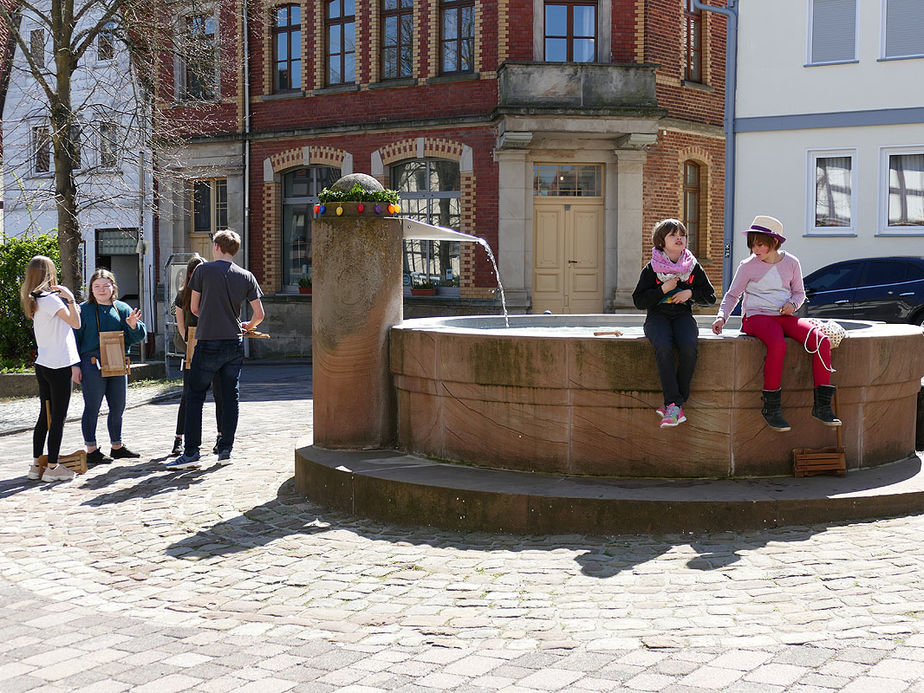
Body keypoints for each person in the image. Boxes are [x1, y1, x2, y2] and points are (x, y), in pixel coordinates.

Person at [712, 215, 841, 431]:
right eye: (752, 243)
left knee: (821, 341)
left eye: (760, 243)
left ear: (774, 242)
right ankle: (771, 408)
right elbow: (732, 295)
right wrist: (721, 316)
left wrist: (792, 304)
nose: (755, 248)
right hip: (755, 317)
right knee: (777, 343)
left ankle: (822, 407)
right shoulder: (747, 266)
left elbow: (799, 293)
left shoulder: (792, 262)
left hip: (785, 316)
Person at [167, 229, 264, 470]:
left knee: (195, 395)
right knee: (230, 397)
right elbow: (260, 315)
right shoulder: (246, 275)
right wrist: (246, 325)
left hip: (208, 340)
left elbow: (195, 307)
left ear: (217, 247)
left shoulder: (203, 270)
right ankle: (225, 450)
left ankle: (191, 452)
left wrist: (212, 316)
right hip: (234, 341)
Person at [632, 219, 716, 427]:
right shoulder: (652, 268)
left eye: (682, 234)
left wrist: (690, 293)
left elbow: (710, 297)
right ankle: (675, 404)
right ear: (662, 242)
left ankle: (673, 405)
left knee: (688, 346)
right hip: (657, 316)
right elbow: (638, 301)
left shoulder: (693, 267)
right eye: (673, 235)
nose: (679, 238)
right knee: (663, 345)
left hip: (682, 315)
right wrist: (663, 290)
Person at [73, 268, 147, 464]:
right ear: (91, 289)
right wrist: (75, 366)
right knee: (92, 406)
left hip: (117, 360)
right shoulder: (82, 310)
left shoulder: (122, 308)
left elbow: (138, 336)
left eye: (105, 285)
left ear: (113, 287)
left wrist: (133, 325)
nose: (101, 289)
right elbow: (73, 340)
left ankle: (117, 446)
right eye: (96, 286)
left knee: (118, 406)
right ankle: (91, 449)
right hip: (91, 363)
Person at [20, 256, 82, 482]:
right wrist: (72, 299)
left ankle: (37, 465)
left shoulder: (33, 299)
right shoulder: (51, 300)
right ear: (49, 274)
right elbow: (75, 323)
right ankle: (53, 467)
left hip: (44, 362)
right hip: (59, 363)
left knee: (44, 416)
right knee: (58, 416)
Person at [171, 255, 223, 456]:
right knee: (188, 395)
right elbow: (181, 324)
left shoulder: (212, 292)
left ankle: (220, 436)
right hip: (192, 346)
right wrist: (189, 345)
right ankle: (179, 438)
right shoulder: (183, 294)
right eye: (195, 274)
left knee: (219, 394)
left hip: (213, 343)